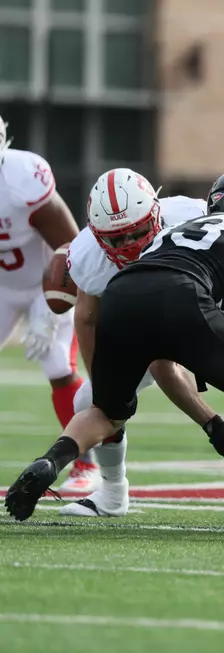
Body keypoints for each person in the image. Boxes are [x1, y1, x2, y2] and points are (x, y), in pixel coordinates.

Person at [4, 169, 224, 544]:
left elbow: (146, 339)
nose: (129, 244)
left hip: (144, 298)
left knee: (101, 409)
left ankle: (51, 461)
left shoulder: (185, 217)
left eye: (138, 233)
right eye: (116, 238)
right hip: (191, 297)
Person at [0, 115, 90, 490]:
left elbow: (72, 247)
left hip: (44, 284)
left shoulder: (22, 179)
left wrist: (49, 309)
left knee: (56, 364)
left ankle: (89, 466)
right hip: (3, 288)